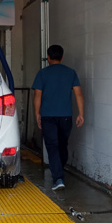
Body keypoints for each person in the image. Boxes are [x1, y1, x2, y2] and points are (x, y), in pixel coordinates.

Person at [32, 45, 84, 191]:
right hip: (66, 116)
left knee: (52, 146)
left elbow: (37, 96)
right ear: (62, 57)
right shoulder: (71, 73)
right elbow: (78, 94)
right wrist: (81, 114)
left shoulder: (42, 73)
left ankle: (58, 178)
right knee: (62, 144)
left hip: (48, 116)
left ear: (48, 57)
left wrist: (37, 113)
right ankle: (59, 172)